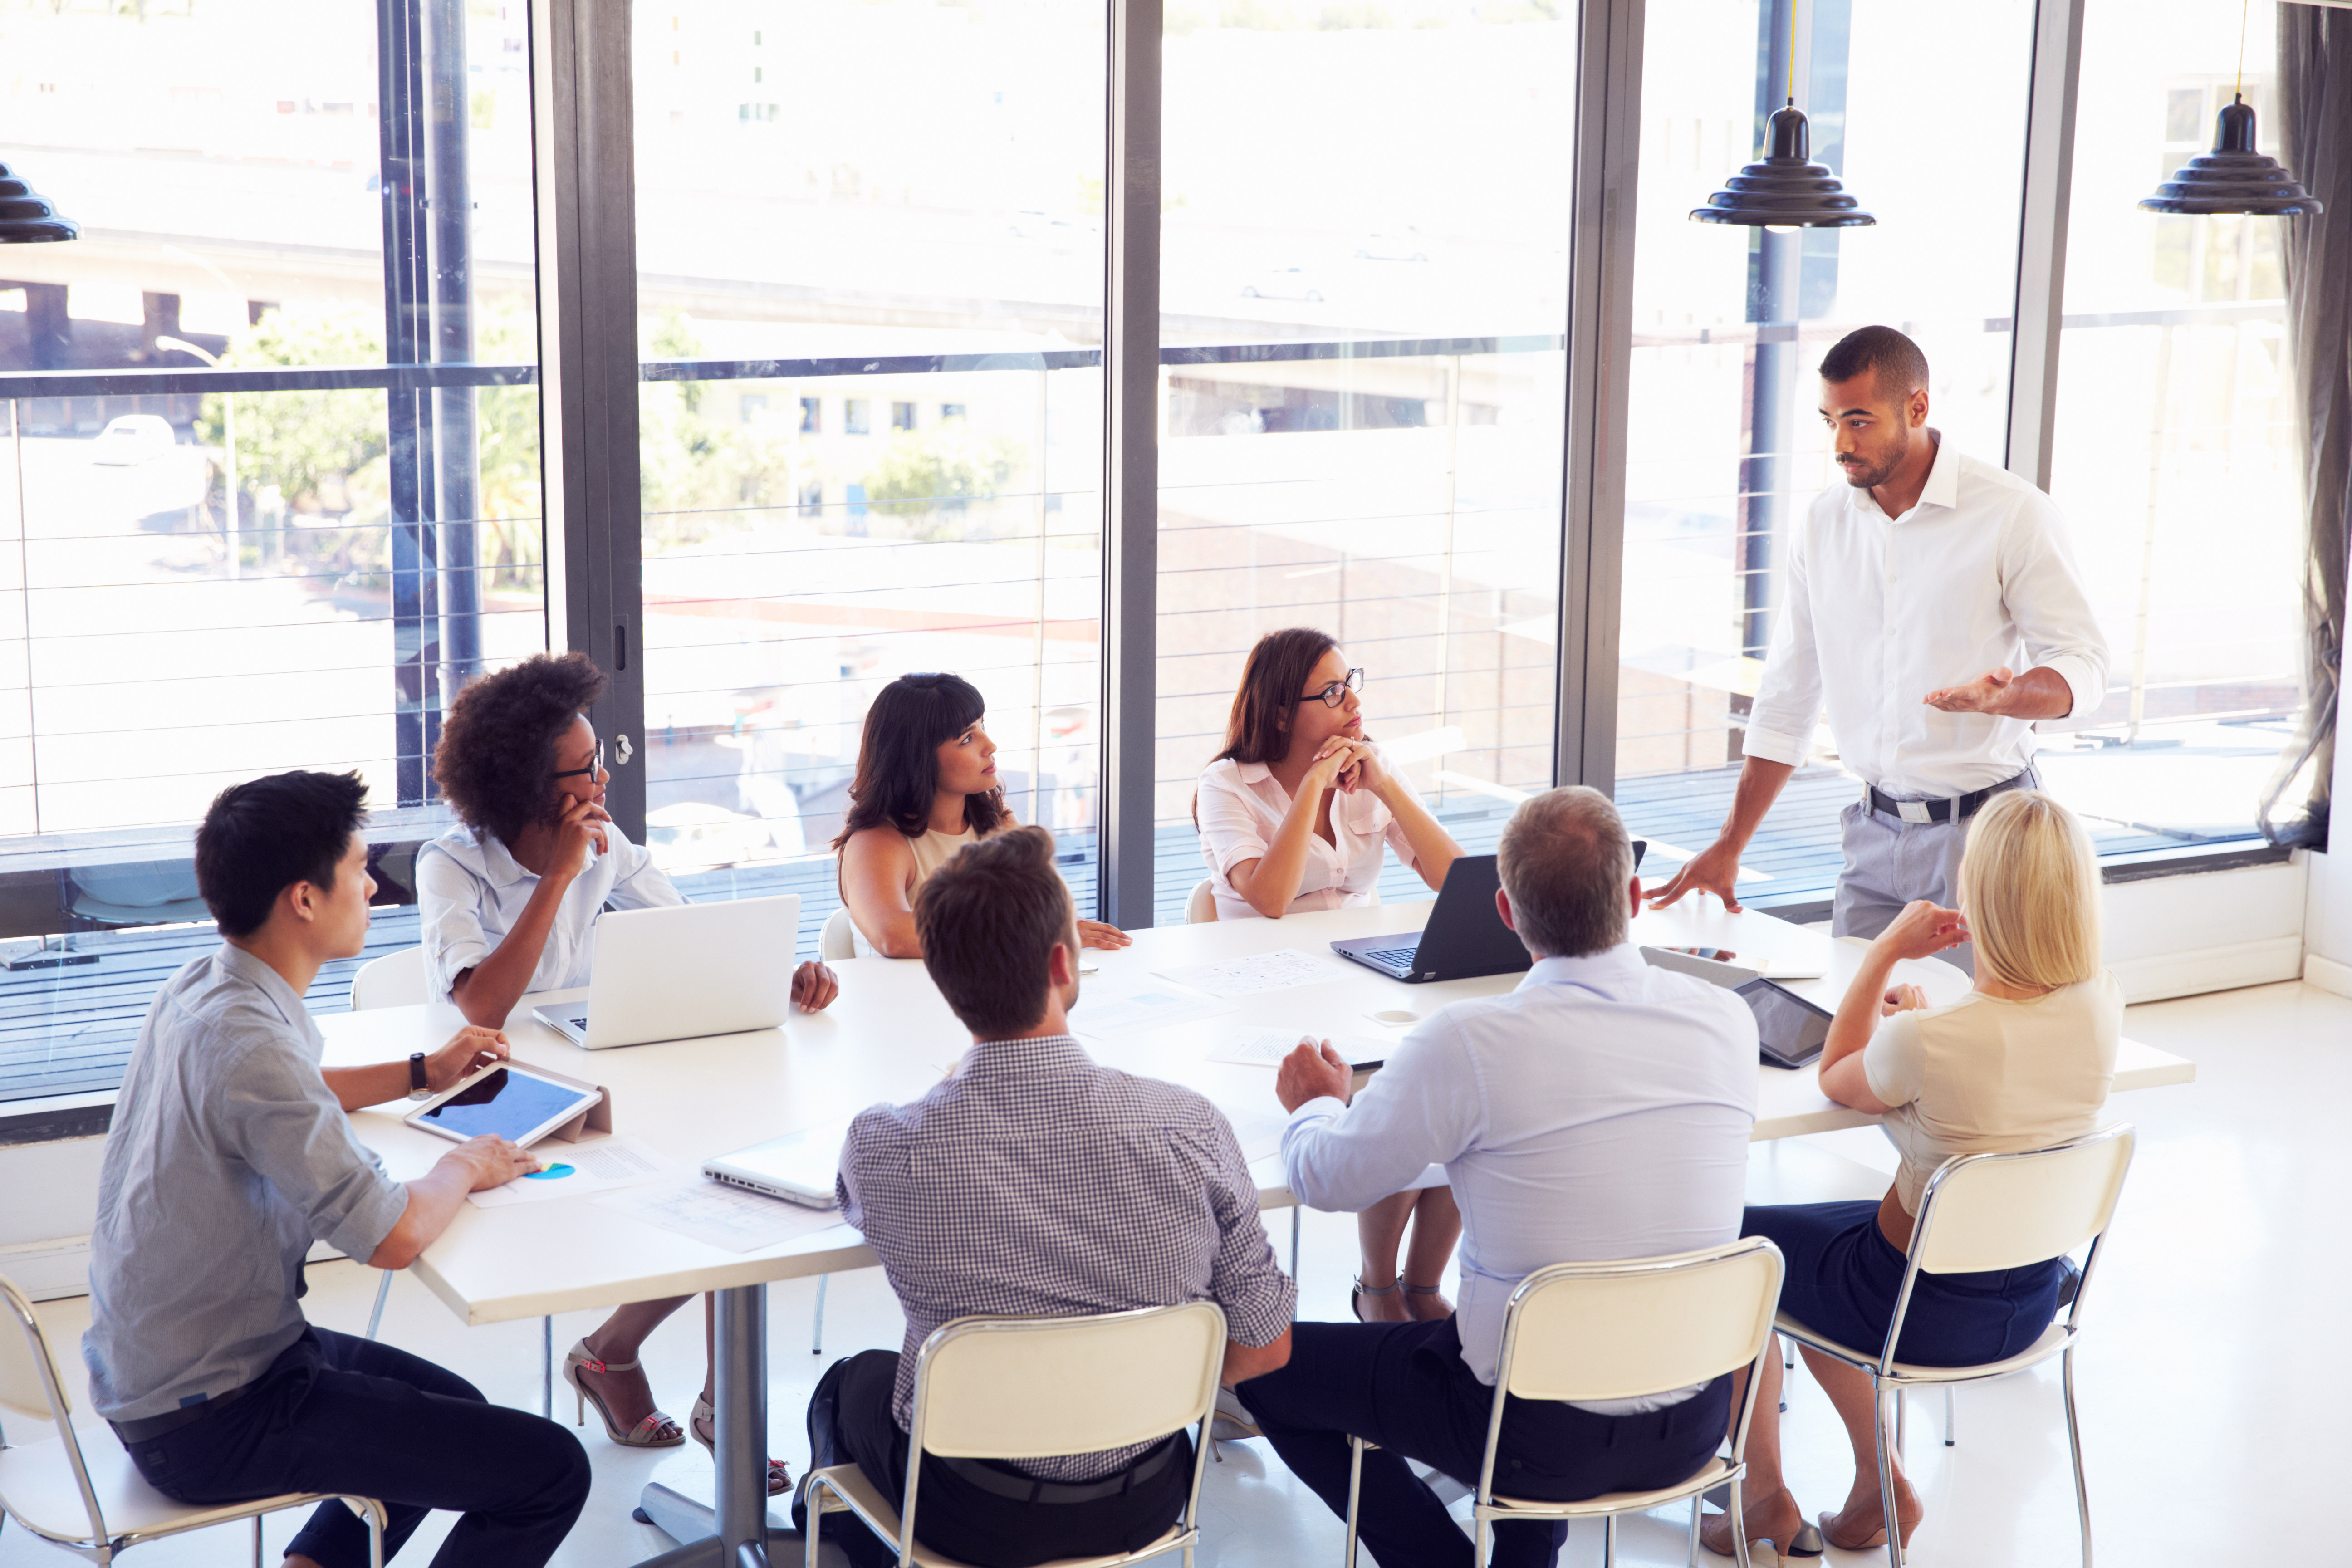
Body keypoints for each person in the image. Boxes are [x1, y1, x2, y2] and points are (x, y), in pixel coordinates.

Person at [1233, 787, 1758, 1568]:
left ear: (1506, 914)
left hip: (1530, 1433)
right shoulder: (1726, 1019)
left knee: (1264, 1368)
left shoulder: (1471, 1042)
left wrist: (1317, 1105)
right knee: (1534, 1322)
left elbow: (1325, 1180)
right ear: (1636, 895)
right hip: (1694, 1420)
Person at [83, 769, 590, 1568]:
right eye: (357, 866)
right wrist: (463, 1164)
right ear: (304, 899)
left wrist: (422, 1071)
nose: (372, 883)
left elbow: (289, 1093)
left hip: (169, 1372)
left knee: (453, 1409)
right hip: (216, 1415)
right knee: (552, 1469)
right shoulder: (253, 1041)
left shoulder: (207, 988)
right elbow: (389, 1236)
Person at [799, 826, 1295, 1568]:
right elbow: (1263, 1352)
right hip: (1148, 1495)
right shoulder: (1188, 1126)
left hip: (968, 1511)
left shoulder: (885, 1147)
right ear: (1063, 963)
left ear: (938, 975)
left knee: (844, 1387)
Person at [419, 650, 832, 1490]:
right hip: (489, 1094)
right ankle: (614, 1356)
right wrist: (562, 874)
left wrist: (775, 972)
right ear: (533, 785)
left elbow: (690, 935)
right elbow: (483, 1008)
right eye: (585, 768)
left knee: (739, 1174)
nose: (602, 778)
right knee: (716, 1191)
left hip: (589, 1071)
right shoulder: (450, 864)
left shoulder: (607, 845)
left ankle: (715, 1398)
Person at [1705, 789, 2120, 1558]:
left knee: (1738, 1245)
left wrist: (1883, 953)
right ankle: (1876, 1481)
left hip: (1909, 1308)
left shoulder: (1927, 1041)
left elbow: (1836, 1074)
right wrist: (1921, 1030)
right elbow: (1993, 1067)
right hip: (2029, 1302)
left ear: (1979, 895)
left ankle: (1762, 1498)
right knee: (1817, 1238)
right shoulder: (2100, 1008)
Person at [1646, 326, 2109, 975]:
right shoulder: (1822, 524)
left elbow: (2085, 665)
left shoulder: (2012, 514)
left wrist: (2012, 697)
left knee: (1969, 1045)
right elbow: (1788, 695)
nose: (1841, 443)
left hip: (1984, 836)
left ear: (1917, 408)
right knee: (1853, 1039)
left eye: (1859, 421)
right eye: (1831, 421)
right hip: (1871, 832)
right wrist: (1730, 844)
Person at [1194, 627, 1467, 1324]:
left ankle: (1423, 1285)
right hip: (1265, 998)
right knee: (1408, 1101)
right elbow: (1269, 898)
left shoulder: (1368, 778)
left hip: (1363, 982)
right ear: (1283, 712)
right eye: (1333, 692)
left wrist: (1390, 787)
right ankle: (1380, 1289)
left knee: (1461, 1089)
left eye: (1354, 685)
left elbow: (1455, 879)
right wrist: (1313, 784)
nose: (1354, 705)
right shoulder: (1227, 786)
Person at [835, 671, 1130, 958]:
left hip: (986, 1000)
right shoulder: (876, 842)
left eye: (982, 726)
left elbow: (1044, 912)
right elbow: (894, 936)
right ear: (916, 759)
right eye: (966, 739)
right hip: (903, 1005)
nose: (990, 746)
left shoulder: (998, 825)